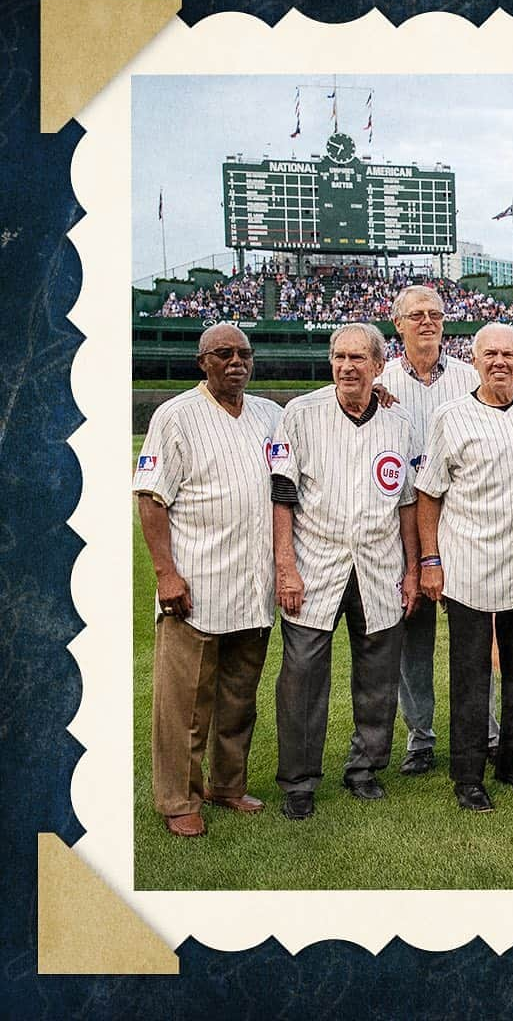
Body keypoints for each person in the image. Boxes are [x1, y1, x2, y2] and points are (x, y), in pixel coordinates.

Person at [133, 323, 281, 838]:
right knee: (185, 705)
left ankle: (227, 785)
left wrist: (378, 389)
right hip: (195, 585)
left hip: (252, 585)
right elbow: (151, 498)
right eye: (224, 354)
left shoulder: (271, 414)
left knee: (239, 699)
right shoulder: (174, 415)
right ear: (203, 362)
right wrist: (165, 573)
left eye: (244, 354)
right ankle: (178, 798)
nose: (236, 362)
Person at [271, 323, 420, 820]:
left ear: (380, 366)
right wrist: (285, 566)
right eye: (339, 357)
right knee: (302, 677)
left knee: (378, 677)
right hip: (316, 565)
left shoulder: (399, 425)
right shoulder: (302, 413)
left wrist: (413, 570)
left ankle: (364, 769)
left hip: (379, 566)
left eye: (358, 358)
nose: (347, 367)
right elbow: (282, 494)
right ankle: (299, 781)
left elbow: (406, 504)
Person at [416, 324, 513, 812]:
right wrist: (430, 560)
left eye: (509, 354)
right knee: (471, 678)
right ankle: (468, 777)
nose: (500, 361)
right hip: (470, 569)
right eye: (490, 354)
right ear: (474, 360)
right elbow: (428, 493)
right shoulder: (451, 416)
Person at [380, 285, 500, 776]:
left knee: (474, 637)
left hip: (465, 524)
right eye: (416, 315)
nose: (427, 322)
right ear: (399, 325)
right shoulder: (379, 378)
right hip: (403, 526)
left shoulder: (471, 376)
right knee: (414, 640)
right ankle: (421, 738)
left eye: (435, 314)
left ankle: (486, 732)